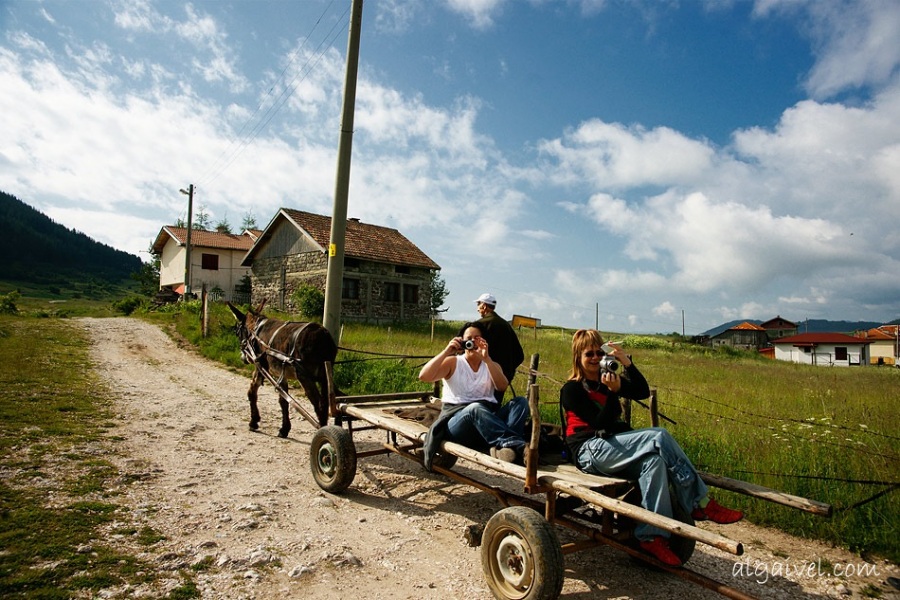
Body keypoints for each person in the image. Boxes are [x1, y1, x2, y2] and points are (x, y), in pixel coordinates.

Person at [559, 329, 743, 567]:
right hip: (588, 450)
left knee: (653, 463)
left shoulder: (608, 379)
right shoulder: (571, 389)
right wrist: (614, 394)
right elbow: (599, 423)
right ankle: (699, 502)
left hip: (611, 448)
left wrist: (626, 362)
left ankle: (651, 536)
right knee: (659, 436)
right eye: (588, 354)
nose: (595, 358)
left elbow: (642, 391)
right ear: (578, 357)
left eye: (599, 352)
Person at [418, 322, 530, 471]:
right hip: (457, 423)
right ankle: (518, 446)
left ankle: (504, 448)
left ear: (484, 341)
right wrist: (446, 351)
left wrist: (487, 359)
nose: (471, 342)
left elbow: (502, 386)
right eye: (468, 339)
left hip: (486, 421)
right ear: (462, 341)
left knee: (520, 402)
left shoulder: (492, 365)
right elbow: (424, 376)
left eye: (476, 338)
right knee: (475, 408)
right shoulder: (453, 362)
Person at [474, 293, 525, 400]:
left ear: (484, 306)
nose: (477, 308)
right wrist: (505, 374)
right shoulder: (506, 325)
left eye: (478, 304)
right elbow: (519, 355)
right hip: (501, 381)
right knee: (495, 408)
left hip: (480, 381)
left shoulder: (479, 325)